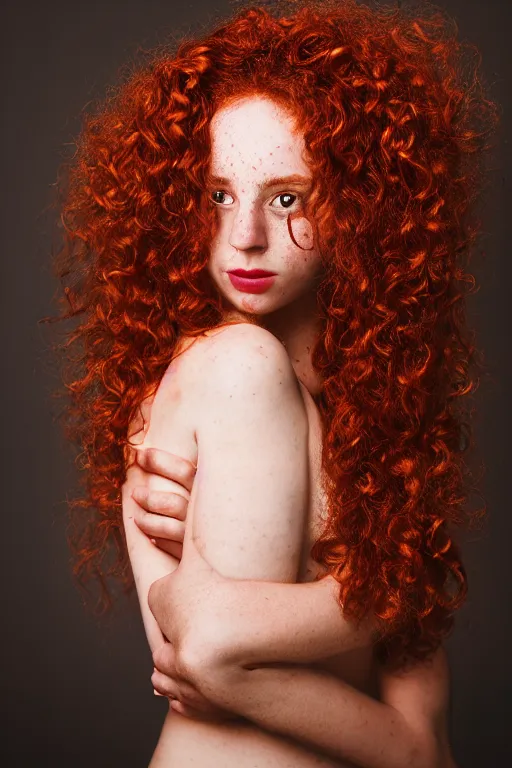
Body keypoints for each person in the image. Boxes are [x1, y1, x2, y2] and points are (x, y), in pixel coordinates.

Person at [47, 0, 497, 765]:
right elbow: (196, 653)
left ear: (360, 205)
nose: (245, 235)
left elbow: (424, 751)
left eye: (287, 197)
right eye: (218, 196)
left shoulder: (377, 438)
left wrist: (384, 587)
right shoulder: (227, 372)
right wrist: (388, 593)